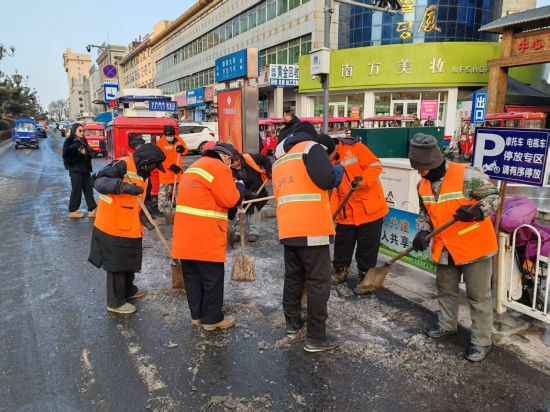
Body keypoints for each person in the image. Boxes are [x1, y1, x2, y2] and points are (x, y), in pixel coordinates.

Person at [408, 133, 500, 362]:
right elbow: (425, 213)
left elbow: (494, 197)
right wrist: (422, 232)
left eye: (422, 168)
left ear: (434, 163)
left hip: (473, 246)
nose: (419, 173)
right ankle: (447, 324)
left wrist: (477, 213)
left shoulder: (468, 175)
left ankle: (481, 340)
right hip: (444, 247)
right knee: (446, 290)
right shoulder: (422, 184)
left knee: (478, 297)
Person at [273, 122, 341, 353]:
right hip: (312, 227)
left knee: (293, 278)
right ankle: (316, 337)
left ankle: (293, 323)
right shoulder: (311, 148)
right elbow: (326, 180)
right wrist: (337, 172)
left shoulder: (281, 159)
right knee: (318, 281)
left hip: (288, 228)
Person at [172, 144, 245, 330]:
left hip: (184, 234)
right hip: (205, 234)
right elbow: (230, 199)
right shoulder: (219, 168)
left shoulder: (194, 166)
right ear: (226, 158)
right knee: (212, 278)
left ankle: (197, 316)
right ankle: (212, 319)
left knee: (192, 277)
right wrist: (240, 187)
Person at [88, 143, 167, 314]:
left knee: (128, 260)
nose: (154, 169)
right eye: (154, 165)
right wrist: (123, 187)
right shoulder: (123, 164)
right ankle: (115, 302)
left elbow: (143, 201)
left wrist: (146, 218)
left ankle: (128, 290)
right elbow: (98, 181)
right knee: (116, 264)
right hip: (112, 224)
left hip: (130, 226)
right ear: (146, 161)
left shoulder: (144, 175)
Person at [331, 133, 389, 294]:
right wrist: (332, 215)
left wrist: (363, 180)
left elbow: (375, 166)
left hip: (370, 208)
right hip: (346, 211)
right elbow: (333, 192)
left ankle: (365, 276)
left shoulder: (356, 148)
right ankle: (340, 271)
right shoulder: (327, 162)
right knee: (342, 243)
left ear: (333, 149)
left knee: (367, 245)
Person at [230, 149, 273, 243]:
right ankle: (237, 232)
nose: (231, 165)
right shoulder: (230, 170)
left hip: (258, 189)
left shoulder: (249, 158)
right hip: (243, 192)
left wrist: (269, 171)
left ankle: (254, 233)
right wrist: (248, 193)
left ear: (238, 160)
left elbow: (265, 159)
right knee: (241, 211)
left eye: (233, 163)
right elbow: (233, 184)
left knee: (255, 211)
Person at [62, 122, 98, 218]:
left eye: (83, 131)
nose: (82, 132)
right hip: (75, 170)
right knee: (76, 190)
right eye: (80, 130)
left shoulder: (83, 140)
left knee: (88, 189)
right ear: (74, 131)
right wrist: (80, 155)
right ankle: (73, 210)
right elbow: (66, 157)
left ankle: (92, 209)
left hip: (85, 170)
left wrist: (88, 153)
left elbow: (89, 152)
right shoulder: (69, 141)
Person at [157, 125, 188, 217]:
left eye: (171, 135)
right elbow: (161, 158)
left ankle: (178, 209)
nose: (170, 137)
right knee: (164, 194)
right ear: (164, 135)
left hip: (178, 173)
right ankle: (162, 210)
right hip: (166, 173)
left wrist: (183, 150)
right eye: (168, 136)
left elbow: (185, 150)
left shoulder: (179, 140)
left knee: (179, 194)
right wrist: (171, 166)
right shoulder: (160, 143)